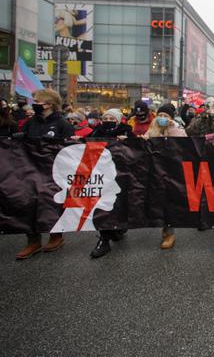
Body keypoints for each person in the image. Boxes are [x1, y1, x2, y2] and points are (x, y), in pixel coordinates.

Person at [15, 89, 74, 259]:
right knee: (30, 204)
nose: (34, 103)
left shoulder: (63, 124)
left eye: (37, 101)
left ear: (49, 104)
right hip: (31, 171)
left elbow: (70, 149)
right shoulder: (30, 122)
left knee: (52, 204)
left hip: (54, 172)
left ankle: (56, 235)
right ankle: (33, 241)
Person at [88, 109, 135, 258]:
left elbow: (137, 149)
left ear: (119, 120)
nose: (108, 120)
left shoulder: (126, 132)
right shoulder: (95, 133)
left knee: (120, 203)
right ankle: (104, 239)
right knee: (103, 204)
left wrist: (128, 141)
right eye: (105, 117)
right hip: (101, 173)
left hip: (122, 173)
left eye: (112, 118)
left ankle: (118, 228)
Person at [140, 104, 188, 250]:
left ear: (171, 118)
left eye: (166, 116)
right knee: (158, 201)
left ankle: (169, 232)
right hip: (156, 171)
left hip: (172, 171)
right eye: (160, 115)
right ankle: (164, 227)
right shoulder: (152, 129)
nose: (162, 118)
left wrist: (173, 127)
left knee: (170, 201)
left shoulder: (177, 129)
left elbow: (184, 142)